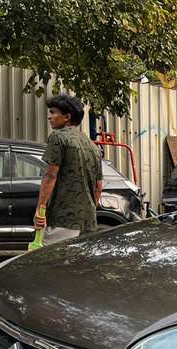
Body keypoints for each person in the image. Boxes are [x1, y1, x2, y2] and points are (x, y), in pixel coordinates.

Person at [34, 94, 103, 245]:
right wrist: (89, 211)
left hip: (63, 219)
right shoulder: (92, 145)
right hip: (88, 222)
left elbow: (51, 175)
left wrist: (40, 209)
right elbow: (99, 186)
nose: (49, 117)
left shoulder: (58, 137)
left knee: (51, 258)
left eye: (53, 112)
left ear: (67, 117)